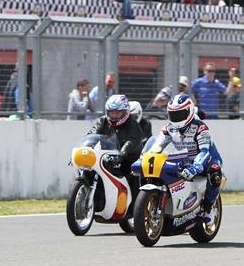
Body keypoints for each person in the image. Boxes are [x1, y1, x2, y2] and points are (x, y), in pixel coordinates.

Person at [153, 93, 223, 222]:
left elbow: (205, 151)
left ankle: (208, 209)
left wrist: (196, 167)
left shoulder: (200, 127)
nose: (176, 118)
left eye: (179, 114)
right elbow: (157, 145)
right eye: (173, 114)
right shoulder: (169, 128)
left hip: (208, 160)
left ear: (189, 111)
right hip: (185, 160)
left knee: (215, 172)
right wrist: (148, 156)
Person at [87, 94, 144, 201]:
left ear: (125, 112)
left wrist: (120, 155)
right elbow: (92, 135)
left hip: (129, 160)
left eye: (118, 113)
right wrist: (86, 148)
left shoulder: (133, 124)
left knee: (134, 177)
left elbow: (131, 141)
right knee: (90, 172)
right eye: (111, 112)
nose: (114, 116)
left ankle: (134, 207)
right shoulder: (102, 121)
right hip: (107, 156)